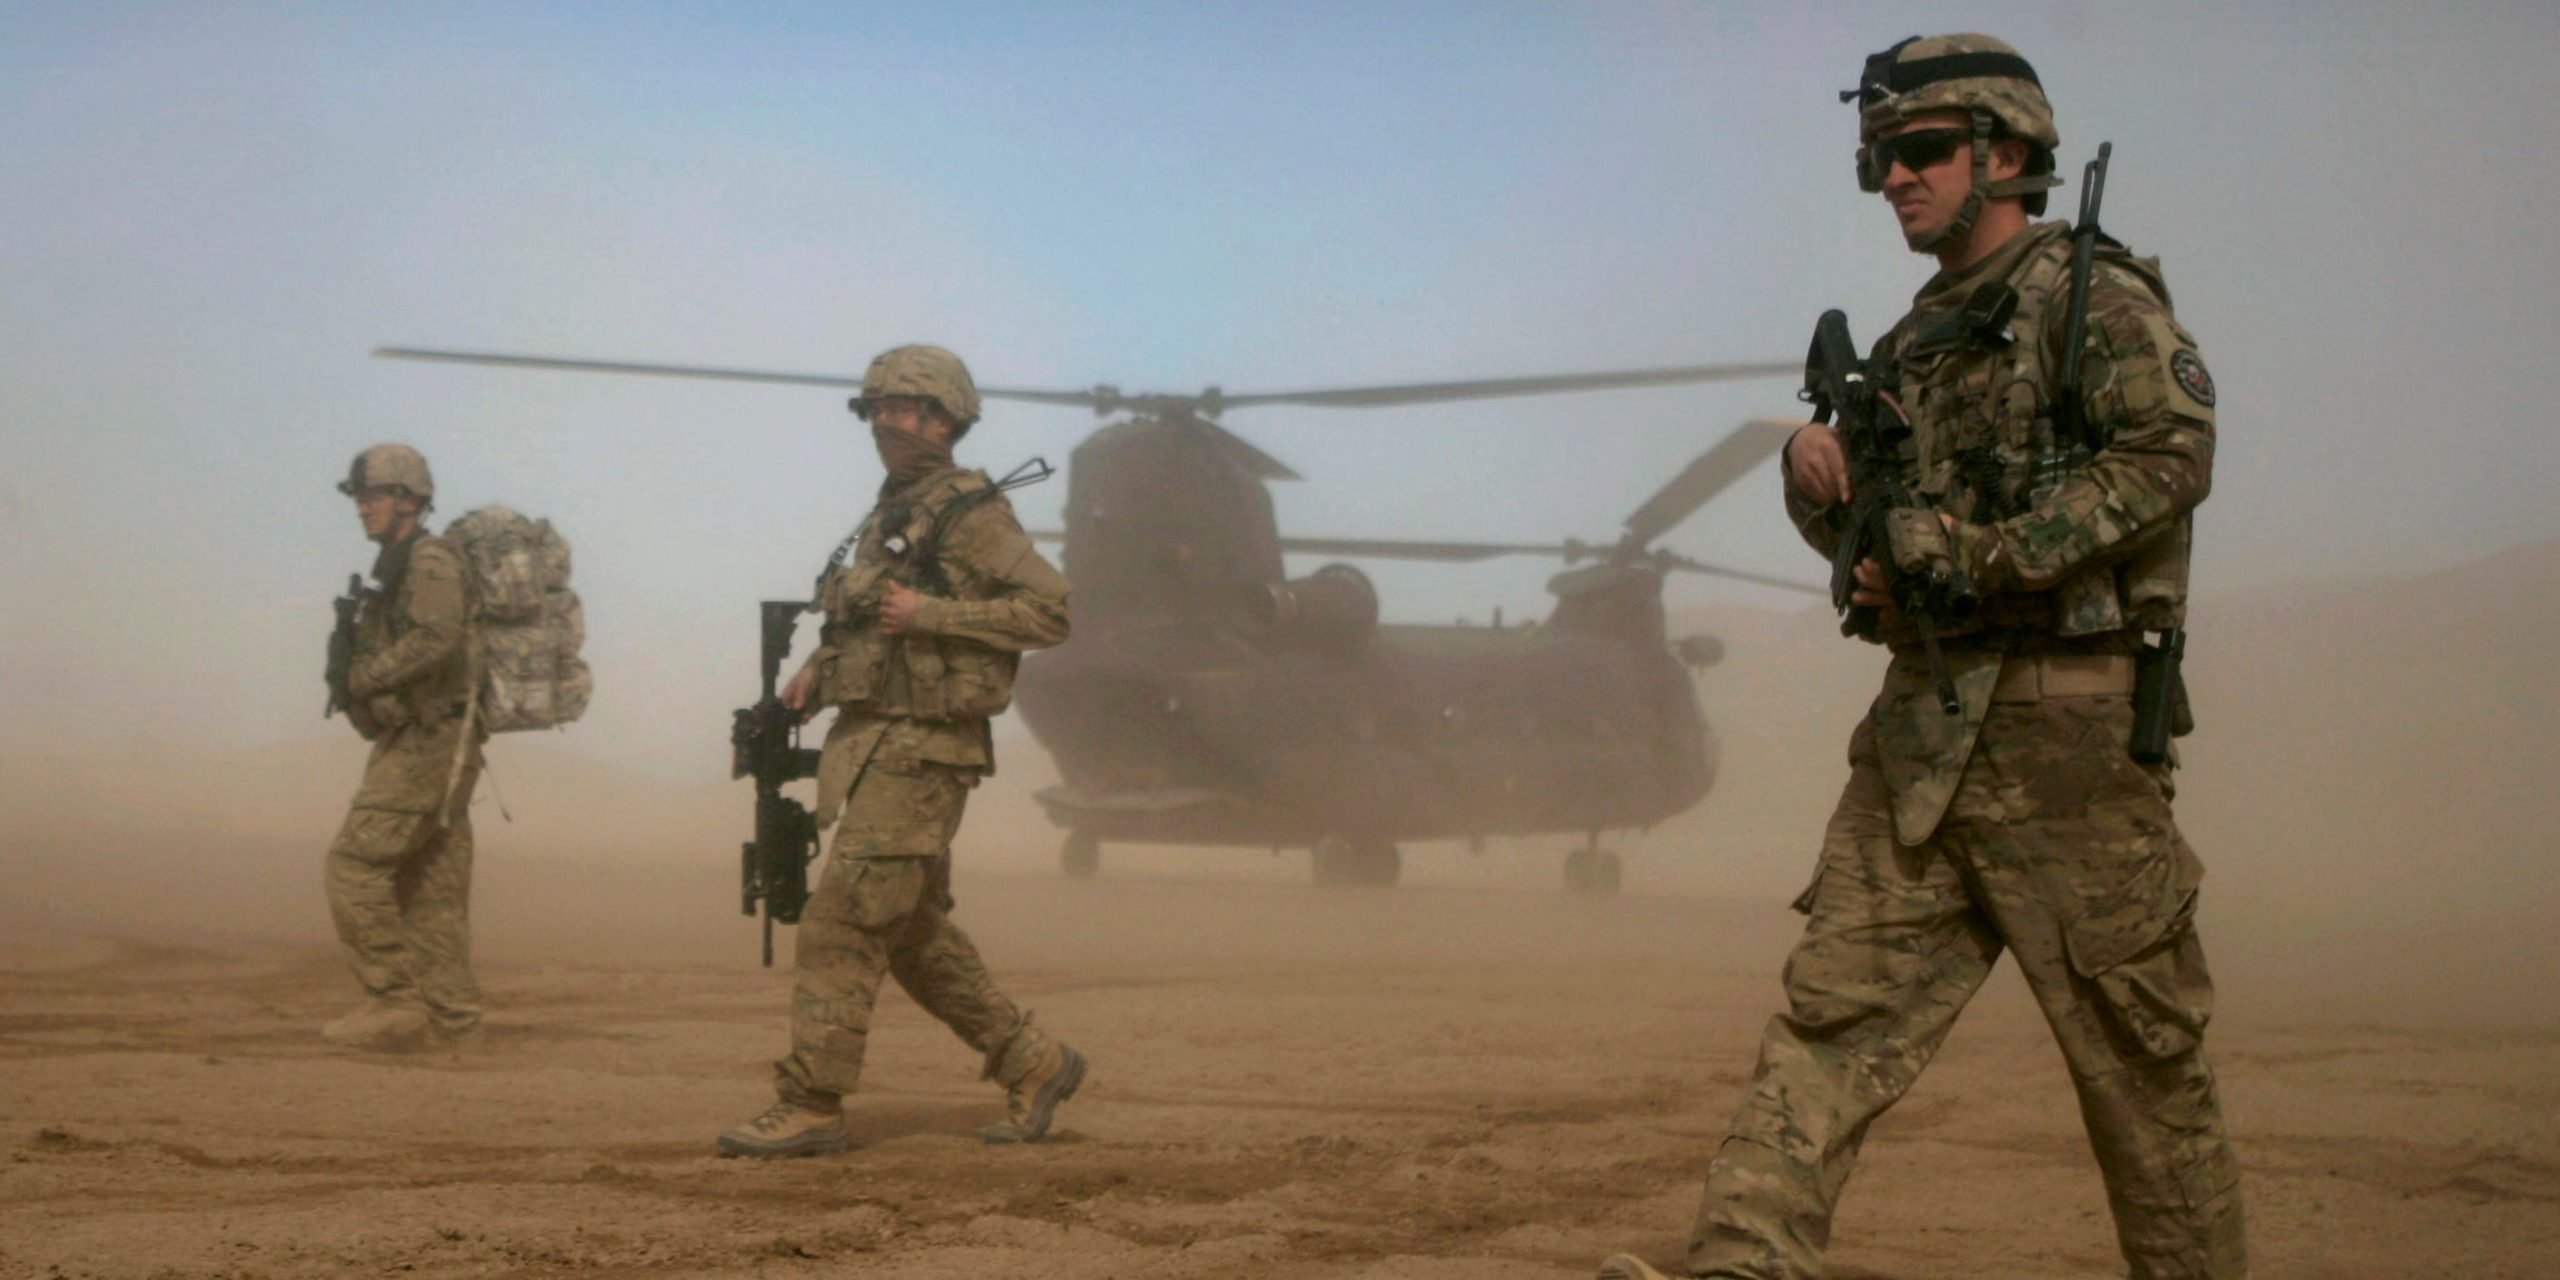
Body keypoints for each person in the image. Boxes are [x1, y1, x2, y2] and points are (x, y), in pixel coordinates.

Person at [1602, 34, 2243, 1280]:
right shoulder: (1907, 349)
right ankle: (1743, 1260)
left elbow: (2169, 465)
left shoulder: (2092, 302)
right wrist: (1817, 484)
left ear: (2005, 154)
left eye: (1919, 152)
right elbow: (1876, 558)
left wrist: (1980, 556)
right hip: (1922, 741)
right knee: (1830, 1025)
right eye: (1879, 158)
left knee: (2141, 1070)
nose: (1893, 177)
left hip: (2069, 747)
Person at [718, 344, 1088, 1158]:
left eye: (908, 409)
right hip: (873, 740)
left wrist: (934, 616)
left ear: (948, 420)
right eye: (878, 409)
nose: (891, 423)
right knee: (910, 932)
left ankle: (813, 1101)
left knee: (843, 919)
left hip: (925, 750)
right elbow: (866, 618)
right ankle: (1036, 1061)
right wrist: (819, 667)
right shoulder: (893, 512)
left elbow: (1052, 612)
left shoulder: (973, 511)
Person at [322, 443, 485, 1053]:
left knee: (354, 864)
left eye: (374, 495)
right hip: (437, 742)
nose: (362, 507)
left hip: (428, 742)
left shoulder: (429, 560)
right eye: (359, 497)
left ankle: (393, 999)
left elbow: (438, 636)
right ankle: (455, 1027)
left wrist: (368, 678)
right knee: (430, 889)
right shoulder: (396, 563)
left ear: (409, 500)